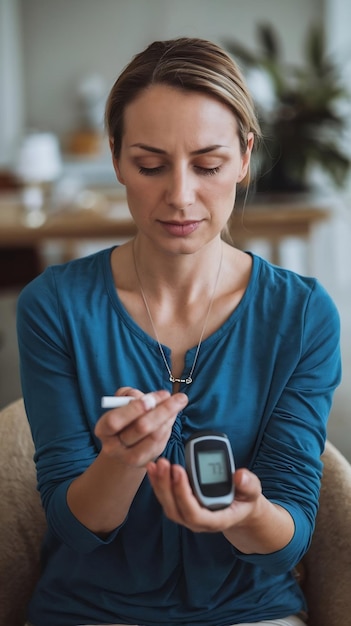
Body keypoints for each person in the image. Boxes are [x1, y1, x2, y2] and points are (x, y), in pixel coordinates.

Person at [17, 37, 341, 626]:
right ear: (116, 157)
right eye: (150, 165)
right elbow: (74, 528)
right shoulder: (54, 305)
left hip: (248, 611)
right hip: (90, 612)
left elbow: (290, 539)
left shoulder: (301, 316)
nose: (181, 196)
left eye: (208, 165)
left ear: (244, 157)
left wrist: (244, 515)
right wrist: (119, 461)